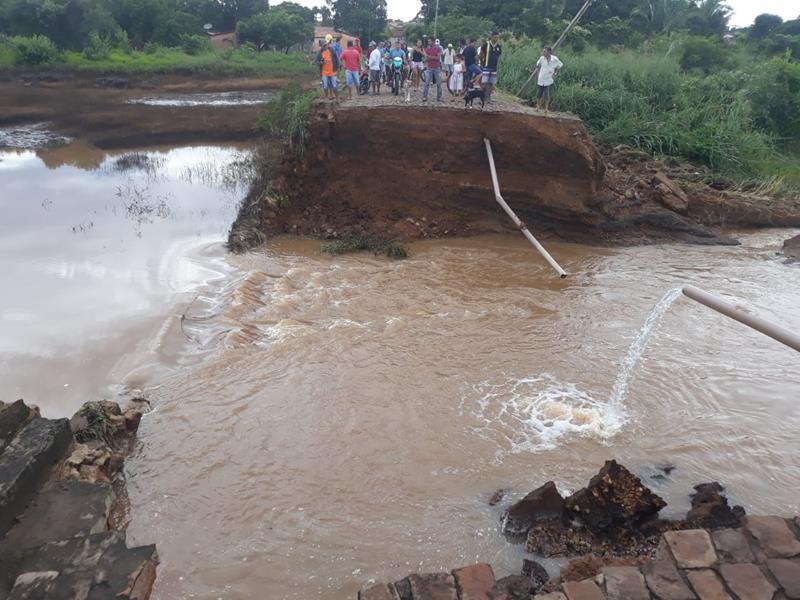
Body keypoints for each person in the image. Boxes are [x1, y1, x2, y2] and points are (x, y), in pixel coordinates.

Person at [531, 45, 563, 113]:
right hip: (541, 78)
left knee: (547, 94)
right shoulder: (542, 58)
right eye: (543, 51)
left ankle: (546, 109)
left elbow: (559, 66)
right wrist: (537, 74)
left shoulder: (555, 59)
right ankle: (537, 107)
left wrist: (555, 74)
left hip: (548, 79)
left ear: (549, 52)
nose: (543, 53)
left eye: (545, 51)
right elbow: (537, 65)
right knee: (538, 94)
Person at [479, 31, 502, 103]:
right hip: (486, 67)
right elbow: (480, 54)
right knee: (484, 83)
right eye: (495, 37)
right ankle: (483, 97)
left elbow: (498, 56)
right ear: (491, 37)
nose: (496, 38)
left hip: (494, 67)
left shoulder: (498, 46)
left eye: (497, 37)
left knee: (491, 83)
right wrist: (482, 64)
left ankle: (488, 98)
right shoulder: (486, 44)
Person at [422, 37, 443, 102]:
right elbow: (426, 59)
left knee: (439, 83)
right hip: (429, 68)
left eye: (429, 41)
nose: (428, 42)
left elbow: (438, 58)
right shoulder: (427, 49)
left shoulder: (438, 49)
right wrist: (427, 58)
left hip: (437, 68)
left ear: (433, 42)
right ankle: (424, 96)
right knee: (427, 83)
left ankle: (439, 97)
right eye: (428, 41)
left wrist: (429, 57)